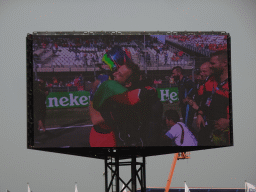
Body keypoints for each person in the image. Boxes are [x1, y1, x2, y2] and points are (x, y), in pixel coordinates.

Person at [196, 51, 230, 146]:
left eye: (213, 63)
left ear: (224, 63)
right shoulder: (210, 81)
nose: (210, 66)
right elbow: (205, 102)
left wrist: (229, 122)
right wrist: (199, 114)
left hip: (227, 135)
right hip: (209, 130)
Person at [171, 66, 197, 135]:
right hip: (183, 106)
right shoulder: (180, 81)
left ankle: (192, 139)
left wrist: (187, 97)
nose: (173, 75)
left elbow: (194, 87)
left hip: (188, 106)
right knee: (187, 124)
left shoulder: (186, 80)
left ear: (179, 73)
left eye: (174, 73)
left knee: (187, 124)